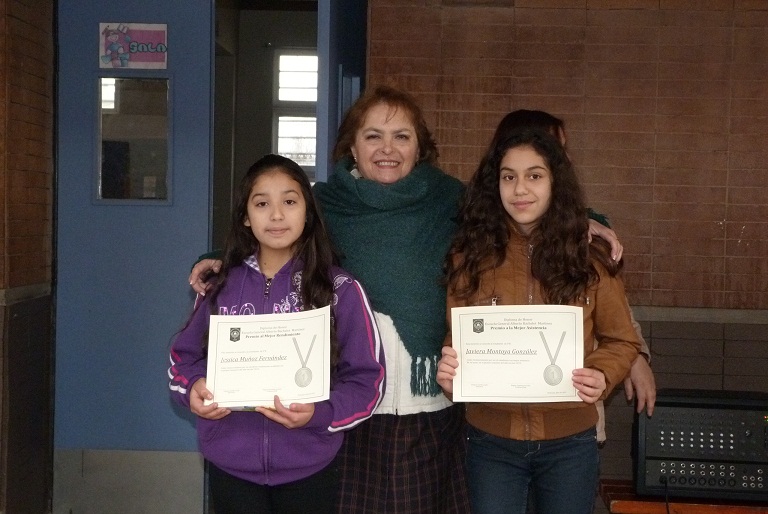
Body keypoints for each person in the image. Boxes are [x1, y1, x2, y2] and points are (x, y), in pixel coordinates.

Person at [187, 86, 622, 513]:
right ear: (352, 147)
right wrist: (218, 259)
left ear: (420, 147)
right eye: (372, 136)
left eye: (401, 136)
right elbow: (273, 233)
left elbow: (521, 208)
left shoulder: (451, 199)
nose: (387, 149)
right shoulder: (323, 205)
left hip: (429, 406)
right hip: (346, 404)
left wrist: (588, 219)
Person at [436, 128, 642, 514]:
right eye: (508, 176)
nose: (520, 189)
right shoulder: (469, 257)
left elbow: (622, 340)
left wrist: (602, 373)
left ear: (555, 183)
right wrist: (451, 374)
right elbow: (457, 338)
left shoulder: (590, 259)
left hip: (570, 444)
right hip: (490, 443)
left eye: (534, 175)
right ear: (494, 184)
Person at [167, 154, 385, 514]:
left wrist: (320, 414)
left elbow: (367, 381)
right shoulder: (220, 286)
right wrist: (192, 389)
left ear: (308, 212)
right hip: (230, 467)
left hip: (311, 467)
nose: (277, 215)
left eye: (290, 201)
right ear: (245, 217)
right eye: (262, 204)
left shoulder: (341, 290)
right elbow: (183, 359)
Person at [488, 109, 656, 446]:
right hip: (497, 428)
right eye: (554, 147)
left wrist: (635, 356)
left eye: (562, 150)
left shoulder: (589, 236)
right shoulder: (479, 240)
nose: (564, 159)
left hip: (572, 417)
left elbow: (614, 315)